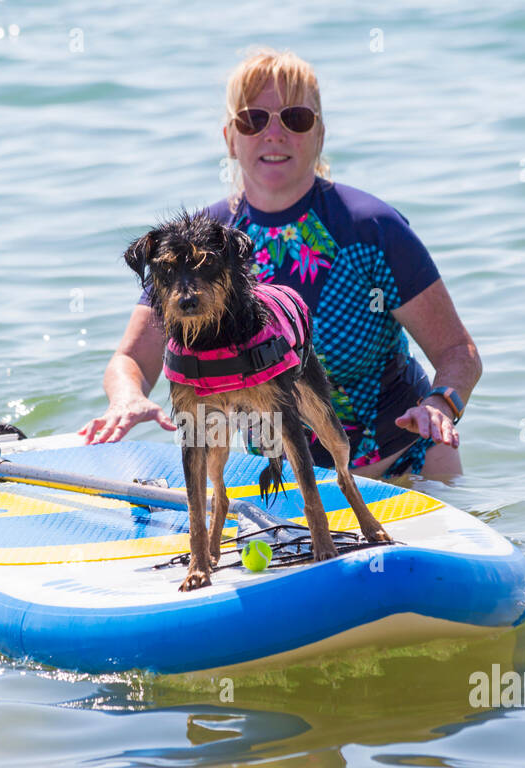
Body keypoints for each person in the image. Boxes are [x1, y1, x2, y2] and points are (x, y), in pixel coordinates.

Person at [78, 47, 480, 480]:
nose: (274, 134)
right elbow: (132, 360)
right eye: (254, 120)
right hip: (278, 485)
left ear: (319, 134)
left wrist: (441, 403)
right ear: (230, 138)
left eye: (296, 118)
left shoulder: (373, 229)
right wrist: (126, 398)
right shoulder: (201, 244)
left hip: (406, 469)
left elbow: (458, 352)